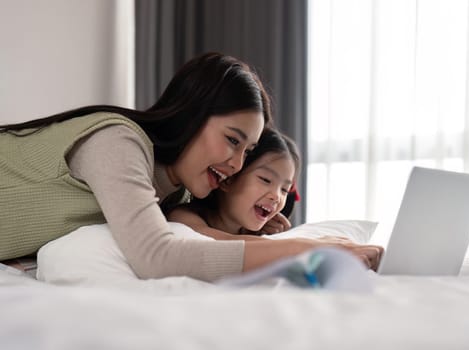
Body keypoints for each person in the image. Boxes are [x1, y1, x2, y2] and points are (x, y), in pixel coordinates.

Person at [0, 52, 382, 282]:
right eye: (232, 140)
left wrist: (266, 237)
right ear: (192, 115)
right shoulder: (116, 141)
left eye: (247, 152)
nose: (235, 164)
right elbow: (158, 256)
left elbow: (202, 240)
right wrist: (307, 250)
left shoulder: (177, 194)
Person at [168, 127, 384, 270]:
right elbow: (221, 245)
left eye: (284, 189)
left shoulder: (253, 231)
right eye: (265, 179)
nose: (276, 196)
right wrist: (311, 246)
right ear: (228, 179)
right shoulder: (184, 216)